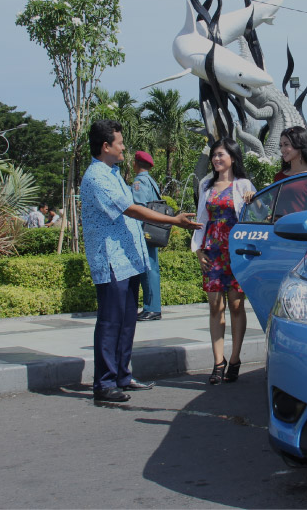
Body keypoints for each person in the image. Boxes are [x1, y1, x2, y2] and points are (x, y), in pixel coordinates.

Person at [82, 119, 201, 402]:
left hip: (128, 259)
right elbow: (133, 210)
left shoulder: (112, 173)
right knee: (110, 322)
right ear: (105, 146)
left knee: (126, 322)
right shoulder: (96, 177)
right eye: (120, 143)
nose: (124, 148)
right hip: (111, 260)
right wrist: (174, 220)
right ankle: (104, 384)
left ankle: (122, 376)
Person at [192, 137, 256, 385]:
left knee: (236, 306)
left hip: (237, 252)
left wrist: (253, 199)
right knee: (215, 307)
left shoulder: (244, 185)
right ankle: (218, 362)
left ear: (232, 157)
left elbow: (254, 217)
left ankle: (235, 358)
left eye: (221, 154)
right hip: (213, 251)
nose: (217, 159)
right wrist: (198, 251)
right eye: (214, 155)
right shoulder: (206, 185)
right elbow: (201, 219)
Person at [131, 151, 164, 322]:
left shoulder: (139, 182)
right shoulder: (151, 181)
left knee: (148, 269)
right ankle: (152, 307)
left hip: (144, 230)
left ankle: (152, 308)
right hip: (153, 229)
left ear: (135, 163)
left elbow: (139, 208)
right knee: (151, 267)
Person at [272, 126, 307, 218]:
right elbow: (273, 208)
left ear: (299, 145)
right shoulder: (279, 177)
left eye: (286, 144)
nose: (282, 150)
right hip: (277, 229)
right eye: (281, 145)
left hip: (300, 231)